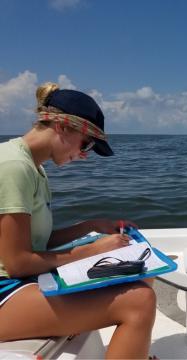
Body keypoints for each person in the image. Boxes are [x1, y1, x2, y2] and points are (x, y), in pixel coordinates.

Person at [0, 83, 157, 359]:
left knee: (143, 274)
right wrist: (91, 250)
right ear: (62, 127)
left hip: (17, 282)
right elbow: (17, 262)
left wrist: (90, 227)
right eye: (86, 144)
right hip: (6, 290)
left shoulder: (33, 168)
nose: (84, 155)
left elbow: (35, 242)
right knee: (140, 302)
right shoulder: (13, 167)